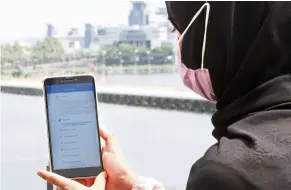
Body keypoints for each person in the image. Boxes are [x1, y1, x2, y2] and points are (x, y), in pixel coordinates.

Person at [37, 1, 291, 190]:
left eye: (177, 31)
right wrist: (131, 186)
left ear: (216, 35)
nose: (179, 45)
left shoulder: (228, 174)